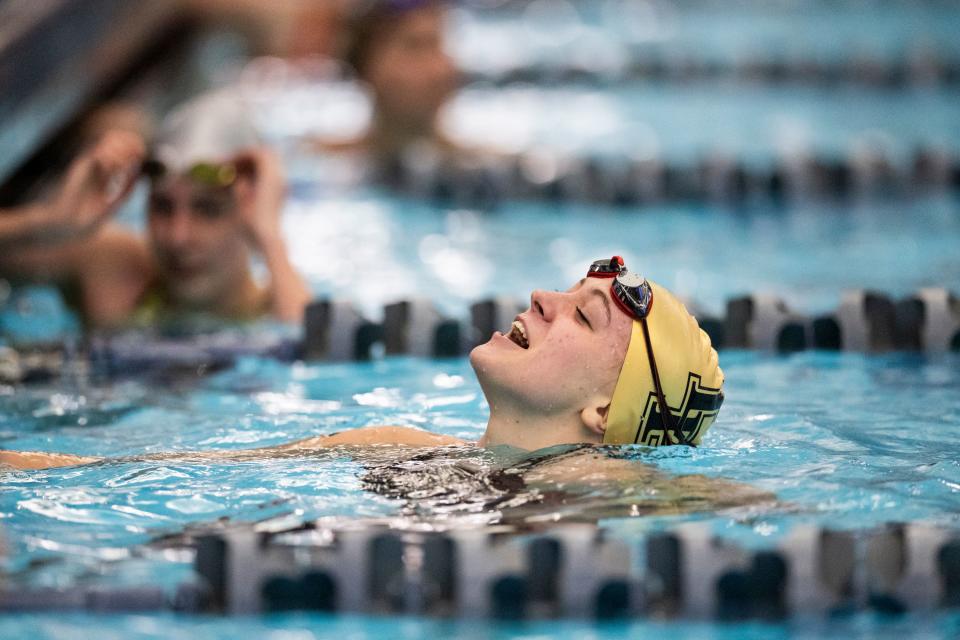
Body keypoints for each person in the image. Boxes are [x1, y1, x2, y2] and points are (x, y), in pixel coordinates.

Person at [2, 256, 727, 472]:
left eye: (582, 313)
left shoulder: (604, 487)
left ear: (604, 413)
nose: (541, 297)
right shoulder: (394, 448)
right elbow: (173, 464)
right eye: (566, 291)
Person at [0, 91, 311, 329]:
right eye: (162, 207)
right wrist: (49, 221)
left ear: (250, 210)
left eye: (208, 210)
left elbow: (323, 371)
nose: (179, 237)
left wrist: (271, 240)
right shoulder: (113, 268)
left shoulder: (278, 311)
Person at [319, 0, 460, 167]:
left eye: (440, 46)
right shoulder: (319, 163)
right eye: (415, 47)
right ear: (364, 64)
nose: (438, 68)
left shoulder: (485, 167)